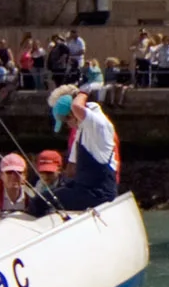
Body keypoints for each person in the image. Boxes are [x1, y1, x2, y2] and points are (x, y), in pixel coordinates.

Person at [31, 85, 121, 213]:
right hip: (85, 188)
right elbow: (71, 170)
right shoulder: (81, 129)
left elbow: (77, 107)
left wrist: (82, 92)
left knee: (40, 202)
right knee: (45, 196)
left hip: (98, 194)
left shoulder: (96, 123)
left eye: (66, 120)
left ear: (71, 115)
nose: (67, 125)